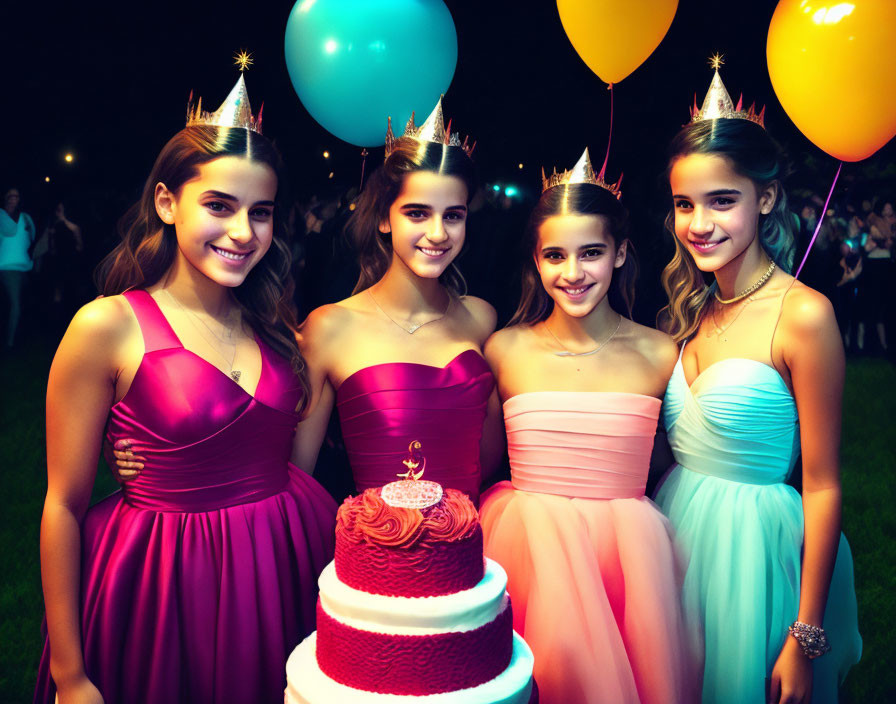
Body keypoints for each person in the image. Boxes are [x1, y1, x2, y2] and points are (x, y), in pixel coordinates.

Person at [34, 71, 336, 704]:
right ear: (169, 203)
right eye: (219, 206)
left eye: (261, 213)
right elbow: (62, 505)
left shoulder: (274, 325)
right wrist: (70, 675)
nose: (243, 233)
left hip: (279, 566)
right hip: (166, 580)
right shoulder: (108, 326)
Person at [654, 63, 861, 704]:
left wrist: (805, 633)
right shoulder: (689, 310)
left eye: (723, 201)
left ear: (765, 199)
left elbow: (823, 484)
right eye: (685, 204)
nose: (700, 225)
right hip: (674, 534)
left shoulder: (804, 316)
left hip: (755, 556)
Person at [478, 149, 696, 704]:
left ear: (621, 253)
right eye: (555, 255)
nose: (572, 274)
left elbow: (668, 461)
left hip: (626, 561)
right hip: (525, 550)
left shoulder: (659, 351)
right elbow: (481, 461)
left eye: (591, 253)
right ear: (535, 259)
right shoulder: (504, 349)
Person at [294, 100, 502, 504]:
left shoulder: (480, 318)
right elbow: (298, 474)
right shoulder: (329, 327)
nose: (439, 233)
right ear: (385, 219)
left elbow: (489, 460)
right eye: (418, 213)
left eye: (453, 215)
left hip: (469, 544)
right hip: (375, 553)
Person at [0, 187, 36, 348]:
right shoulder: (1, 215)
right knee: (15, 303)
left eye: (16, 196)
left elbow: (31, 238)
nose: (13, 198)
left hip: (25, 267)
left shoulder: (25, 218)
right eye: (10, 195)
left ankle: (18, 336)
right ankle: (9, 342)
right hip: (6, 267)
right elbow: (10, 231)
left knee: (19, 304)